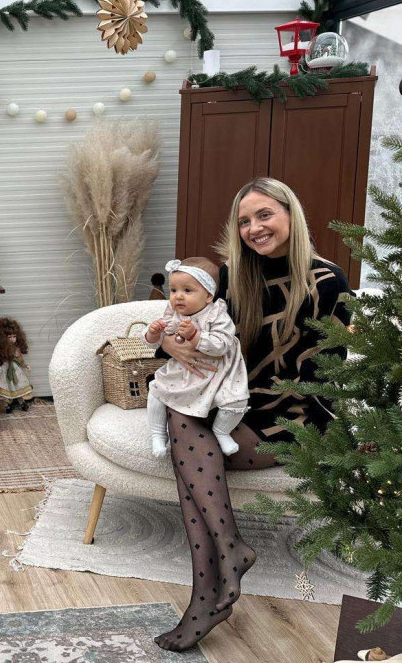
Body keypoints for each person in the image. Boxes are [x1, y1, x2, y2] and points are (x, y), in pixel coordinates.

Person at [152, 178, 352, 651]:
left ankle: (210, 586)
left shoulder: (328, 281)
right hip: (231, 405)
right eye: (244, 220)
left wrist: (240, 397)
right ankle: (227, 559)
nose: (254, 228)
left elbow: (326, 378)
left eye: (265, 215)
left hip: (294, 418)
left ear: (290, 214)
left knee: (186, 441)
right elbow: (179, 319)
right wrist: (168, 344)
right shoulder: (232, 279)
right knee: (185, 424)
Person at [142, 257, 250, 459]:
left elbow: (224, 344)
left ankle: (221, 431)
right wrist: (154, 333)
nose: (178, 297)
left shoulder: (217, 314)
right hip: (185, 369)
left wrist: (195, 336)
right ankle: (157, 433)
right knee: (156, 390)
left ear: (208, 295)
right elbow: (155, 341)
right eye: (173, 290)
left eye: (187, 290)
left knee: (236, 401)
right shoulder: (174, 312)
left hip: (219, 373)